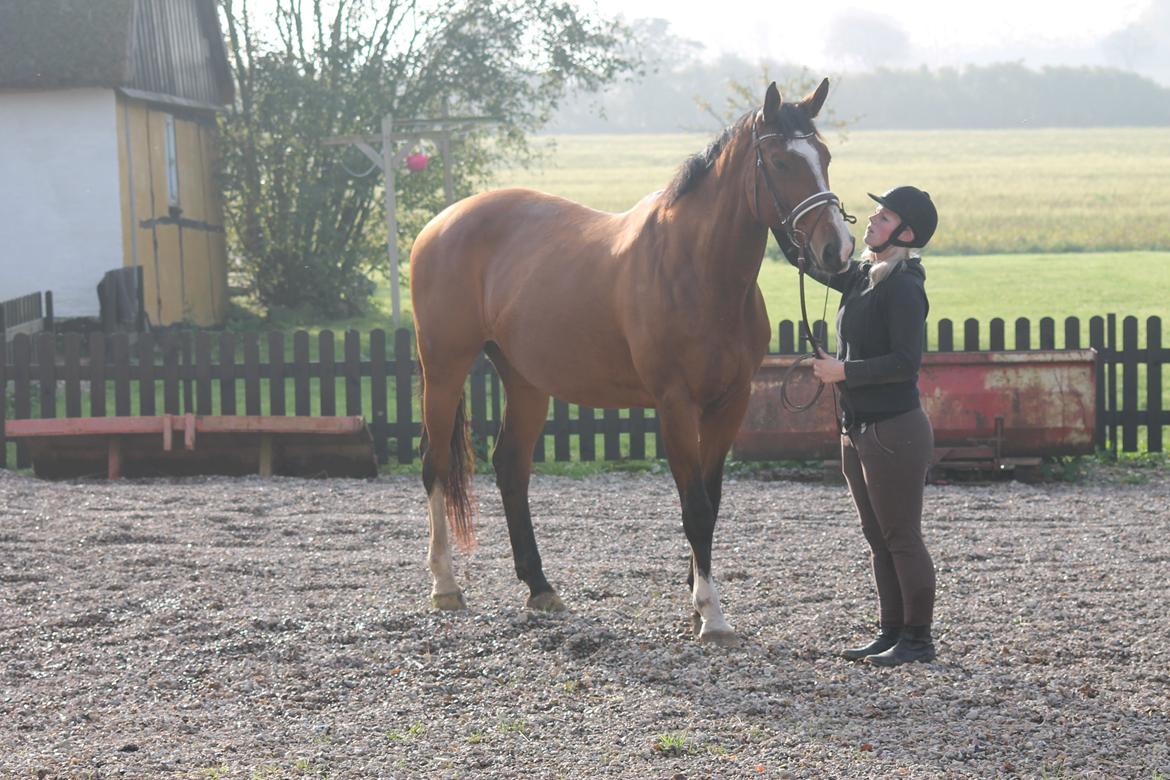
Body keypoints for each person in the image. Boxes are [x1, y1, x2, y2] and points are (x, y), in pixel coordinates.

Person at [802, 185, 939, 666]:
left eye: (885, 217)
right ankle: (891, 631)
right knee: (878, 536)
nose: (873, 222)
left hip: (894, 431)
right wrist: (796, 214)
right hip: (858, 428)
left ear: (907, 233)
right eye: (876, 214)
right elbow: (813, 264)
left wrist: (843, 371)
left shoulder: (903, 286)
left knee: (902, 535)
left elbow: (905, 362)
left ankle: (918, 641)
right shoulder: (866, 276)